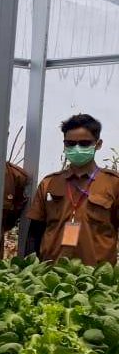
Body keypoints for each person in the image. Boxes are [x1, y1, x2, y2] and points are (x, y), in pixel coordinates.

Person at [25, 113, 119, 266]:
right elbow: (34, 234)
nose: (77, 148)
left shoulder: (113, 183)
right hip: (51, 275)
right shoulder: (49, 183)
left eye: (84, 144)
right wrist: (29, 270)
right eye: (70, 143)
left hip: (98, 278)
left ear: (98, 144)